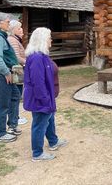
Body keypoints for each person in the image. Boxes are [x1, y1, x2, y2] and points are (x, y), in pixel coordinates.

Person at [23, 27, 67, 162]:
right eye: (49, 38)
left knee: (49, 119)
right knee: (40, 124)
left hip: (48, 97)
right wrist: (44, 99)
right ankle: (37, 153)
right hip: (41, 99)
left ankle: (53, 141)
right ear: (42, 40)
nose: (51, 40)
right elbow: (38, 82)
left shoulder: (42, 55)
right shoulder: (36, 58)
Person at [0, 12, 21, 143]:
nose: (9, 23)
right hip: (0, 75)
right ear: (0, 23)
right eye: (7, 22)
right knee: (2, 104)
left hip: (4, 73)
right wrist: (6, 73)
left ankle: (12, 126)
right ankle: (0, 133)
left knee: (15, 96)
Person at [7, 20, 28, 125]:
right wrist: (28, 62)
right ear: (13, 30)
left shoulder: (14, 39)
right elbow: (16, 57)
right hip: (16, 71)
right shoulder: (13, 40)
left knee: (17, 95)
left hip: (17, 70)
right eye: (19, 28)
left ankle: (15, 117)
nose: (22, 30)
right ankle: (15, 118)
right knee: (16, 95)